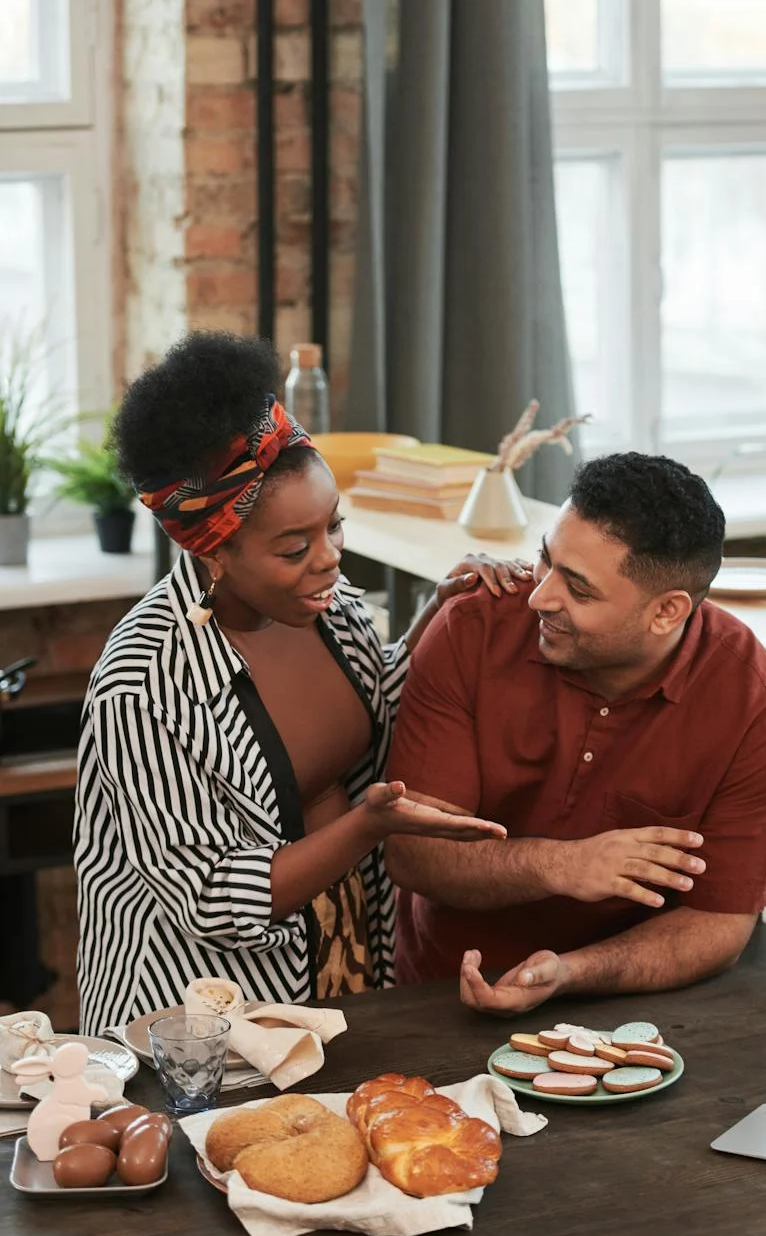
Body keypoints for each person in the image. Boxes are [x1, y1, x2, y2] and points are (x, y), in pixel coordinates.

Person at [75, 332, 519, 1034]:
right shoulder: (145, 685)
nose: (329, 563)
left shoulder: (331, 610)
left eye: (334, 527)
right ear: (214, 549)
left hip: (341, 964)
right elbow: (210, 898)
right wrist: (366, 825)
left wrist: (443, 608)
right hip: (200, 1015)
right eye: (294, 548)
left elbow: (372, 707)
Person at [383, 452, 766, 1013]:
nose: (539, 596)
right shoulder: (471, 628)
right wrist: (565, 864)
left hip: (640, 1003)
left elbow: (720, 921)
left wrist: (570, 974)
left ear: (666, 612)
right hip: (443, 993)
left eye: (578, 589)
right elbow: (413, 852)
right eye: (545, 559)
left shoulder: (753, 702)